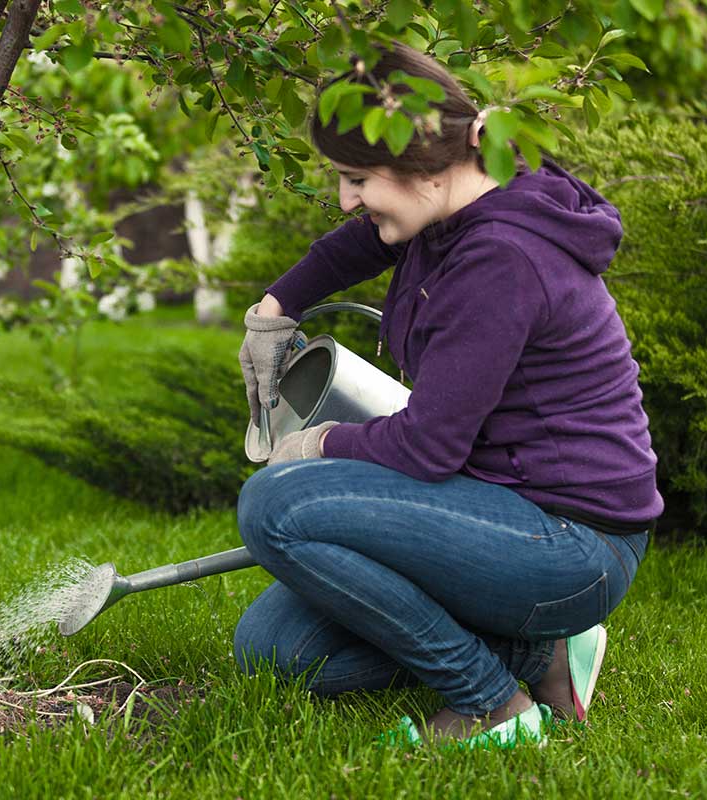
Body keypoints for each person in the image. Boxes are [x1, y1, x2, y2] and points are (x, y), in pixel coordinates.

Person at [233, 42, 662, 751]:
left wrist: (313, 446)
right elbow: (363, 243)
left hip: (570, 543)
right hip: (498, 506)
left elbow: (425, 446)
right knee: (277, 653)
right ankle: (540, 653)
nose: (346, 198)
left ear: (420, 164)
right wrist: (276, 308)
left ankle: (492, 705)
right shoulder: (462, 200)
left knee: (276, 506)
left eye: (356, 178)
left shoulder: (502, 259)